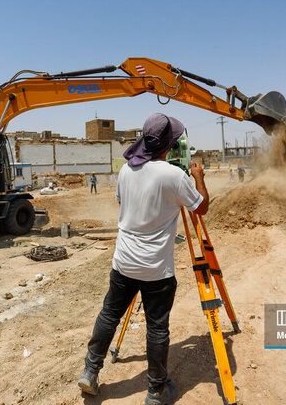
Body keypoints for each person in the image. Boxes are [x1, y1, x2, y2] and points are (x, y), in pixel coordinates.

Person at [78, 112, 209, 405]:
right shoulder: (175, 176)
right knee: (157, 328)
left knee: (109, 316)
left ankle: (90, 371)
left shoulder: (126, 170)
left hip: (123, 263)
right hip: (156, 271)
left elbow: (122, 203)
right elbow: (200, 209)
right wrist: (198, 177)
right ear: (171, 143)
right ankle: (155, 391)